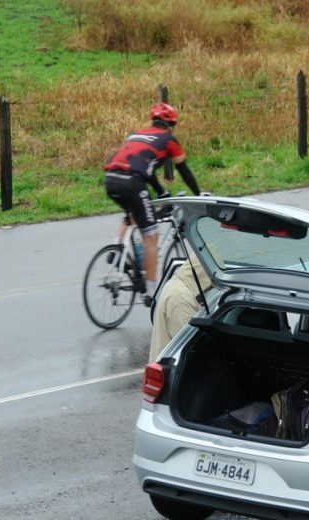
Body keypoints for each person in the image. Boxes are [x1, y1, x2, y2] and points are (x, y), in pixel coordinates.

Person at [104, 102, 203, 305]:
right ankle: (150, 293)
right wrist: (198, 194)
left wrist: (160, 191)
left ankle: (117, 247)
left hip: (111, 179)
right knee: (151, 236)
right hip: (132, 182)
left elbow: (144, 168)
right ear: (171, 124)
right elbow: (183, 170)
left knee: (133, 214)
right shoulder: (168, 139)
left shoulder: (137, 135)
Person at [149, 258, 212, 361]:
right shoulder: (180, 298)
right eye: (210, 286)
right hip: (171, 367)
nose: (211, 288)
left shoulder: (179, 285)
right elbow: (190, 346)